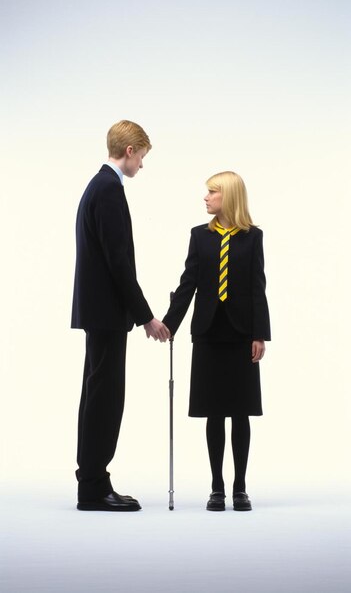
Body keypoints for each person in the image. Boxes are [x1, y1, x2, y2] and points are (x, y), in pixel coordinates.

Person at [71, 120, 170, 511]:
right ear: (130, 151)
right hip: (108, 314)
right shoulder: (110, 189)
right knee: (106, 399)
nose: (142, 165)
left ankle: (92, 481)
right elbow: (119, 264)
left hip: (99, 313)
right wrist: (146, 317)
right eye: (142, 156)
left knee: (97, 396)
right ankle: (94, 487)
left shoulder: (97, 185)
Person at [162, 171, 270, 511]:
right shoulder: (200, 236)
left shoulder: (252, 238)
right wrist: (168, 324)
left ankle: (240, 487)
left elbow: (257, 287)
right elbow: (188, 283)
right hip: (208, 333)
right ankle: (217, 488)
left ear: (230, 197)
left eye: (212, 192)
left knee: (240, 412)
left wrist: (260, 334)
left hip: (240, 335)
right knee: (213, 412)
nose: (206, 198)